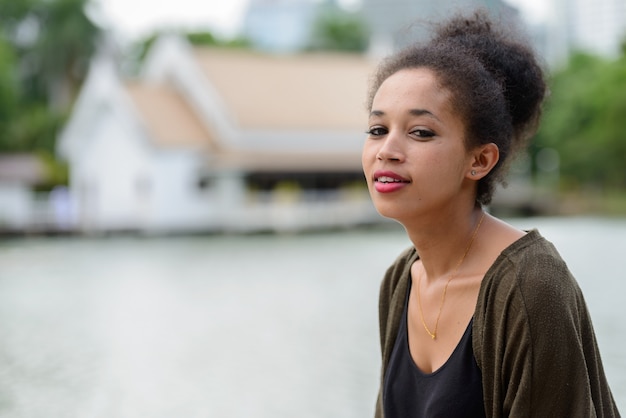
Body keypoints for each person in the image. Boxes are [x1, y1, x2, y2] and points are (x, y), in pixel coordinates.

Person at [362, 10, 620, 418]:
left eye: (420, 132)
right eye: (378, 129)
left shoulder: (530, 283)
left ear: (479, 160)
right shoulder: (400, 281)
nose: (386, 150)